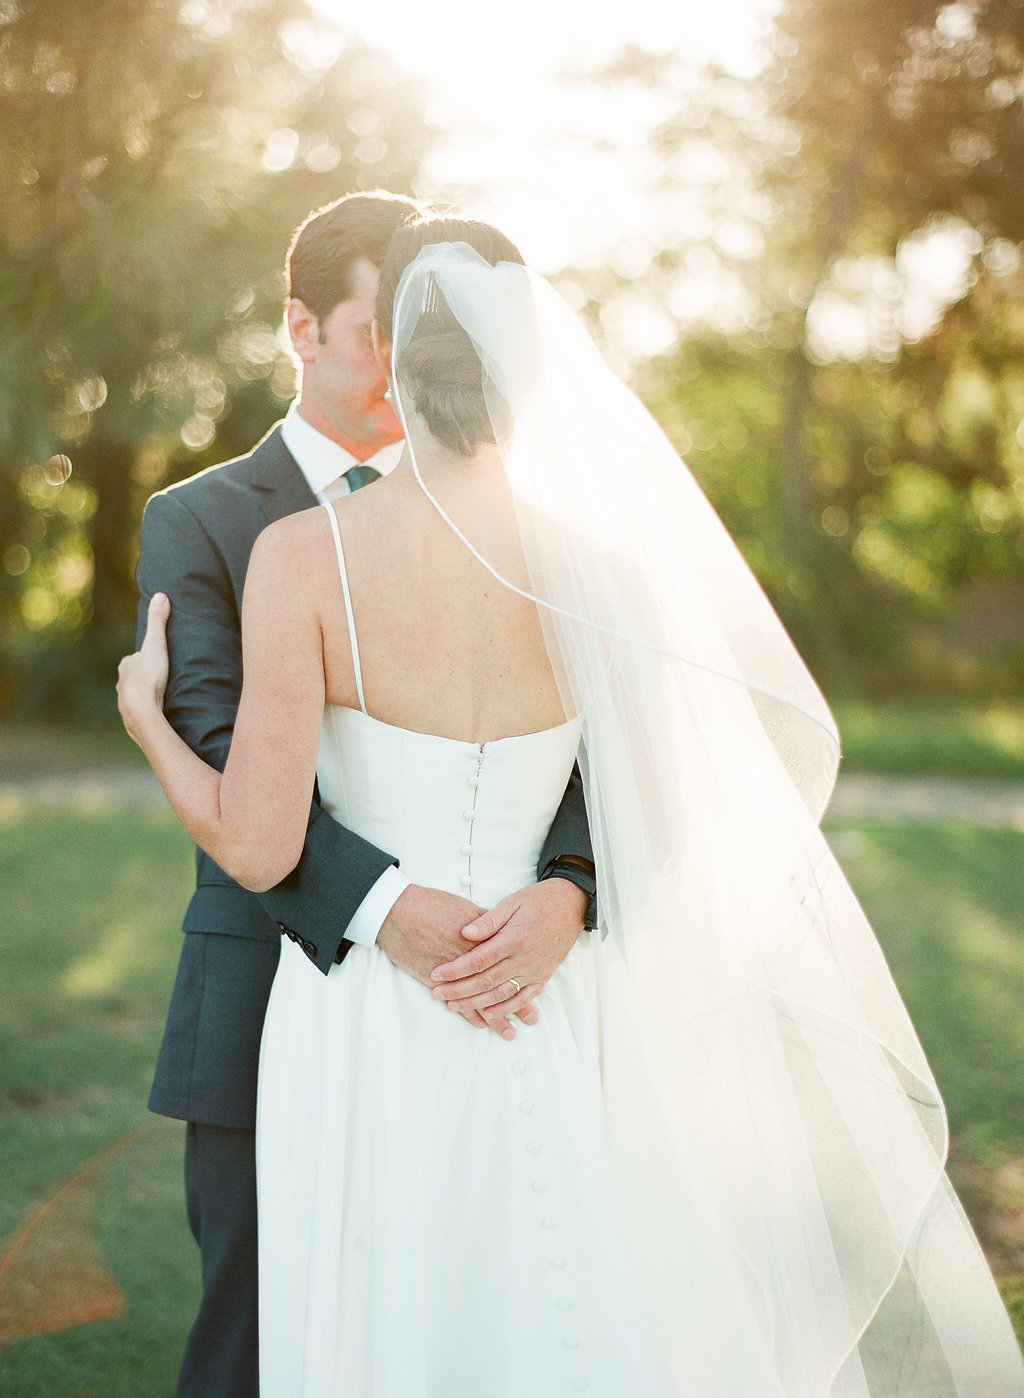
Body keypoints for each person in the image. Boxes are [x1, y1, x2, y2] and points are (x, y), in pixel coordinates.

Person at [120, 217, 1024, 1395]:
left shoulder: (304, 557)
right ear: (532, 369)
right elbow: (667, 793)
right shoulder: (602, 569)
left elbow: (256, 839)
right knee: (567, 1304)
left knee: (383, 1324)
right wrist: (552, 903)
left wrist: (146, 717)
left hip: (367, 1027)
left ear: (391, 353)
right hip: (552, 1002)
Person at [133, 195, 596, 1398]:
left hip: (509, 983)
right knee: (269, 1334)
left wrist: (571, 892)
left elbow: (609, 777)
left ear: (403, 343)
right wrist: (384, 903)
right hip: (295, 987)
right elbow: (225, 730)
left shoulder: (340, 555)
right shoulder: (203, 521)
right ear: (309, 332)